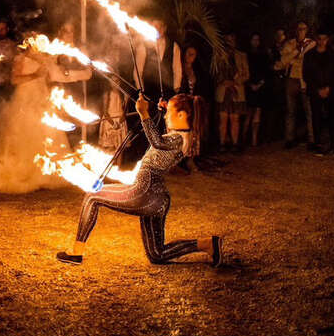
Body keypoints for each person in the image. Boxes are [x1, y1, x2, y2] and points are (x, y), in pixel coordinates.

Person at [56, 92, 223, 267]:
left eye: (170, 112)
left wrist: (144, 114)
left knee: (92, 196)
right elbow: (163, 138)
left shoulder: (177, 140)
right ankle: (207, 244)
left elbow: (157, 142)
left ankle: (76, 253)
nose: (165, 116)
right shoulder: (182, 136)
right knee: (157, 255)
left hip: (144, 192)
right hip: (157, 198)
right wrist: (164, 109)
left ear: (181, 115)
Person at [0, 40, 91, 193]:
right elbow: (15, 79)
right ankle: (22, 172)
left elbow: (55, 75)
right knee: (20, 135)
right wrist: (35, 75)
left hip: (41, 99)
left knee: (46, 134)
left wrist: (82, 73)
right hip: (24, 98)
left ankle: (45, 172)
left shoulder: (45, 59)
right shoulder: (20, 58)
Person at [275, 21, 316, 149]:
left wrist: (292, 58)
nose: (301, 31)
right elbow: (283, 61)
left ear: (307, 30)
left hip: (304, 79)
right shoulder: (290, 43)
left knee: (309, 110)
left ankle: (312, 140)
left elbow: (306, 59)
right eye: (299, 28)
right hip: (291, 79)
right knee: (290, 110)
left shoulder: (311, 43)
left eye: (303, 28)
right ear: (296, 30)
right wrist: (295, 54)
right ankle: (289, 138)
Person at [303, 30, 334, 156]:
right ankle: (319, 145)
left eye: (325, 38)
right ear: (316, 39)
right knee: (316, 118)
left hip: (331, 91)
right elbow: (306, 75)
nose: (322, 41)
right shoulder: (309, 55)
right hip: (315, 91)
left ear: (327, 39)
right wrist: (317, 89)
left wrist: (329, 88)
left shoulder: (333, 55)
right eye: (320, 38)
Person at [215, 32, 249, 153]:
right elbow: (215, 73)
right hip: (223, 91)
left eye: (232, 40)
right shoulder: (218, 56)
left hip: (237, 91)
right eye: (227, 40)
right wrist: (224, 81)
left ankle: (234, 144)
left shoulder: (241, 56)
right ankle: (222, 144)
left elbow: (246, 74)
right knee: (223, 118)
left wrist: (234, 82)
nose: (230, 43)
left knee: (235, 119)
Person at [134, 19, 182, 101]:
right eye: (155, 26)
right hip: (149, 91)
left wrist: (176, 87)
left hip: (168, 91)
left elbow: (177, 68)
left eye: (160, 26)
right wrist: (141, 90)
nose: (158, 29)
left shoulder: (173, 46)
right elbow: (138, 70)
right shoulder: (143, 46)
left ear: (165, 28)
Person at [244, 33, 269, 146]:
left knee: (257, 112)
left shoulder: (263, 55)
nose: (256, 42)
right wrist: (249, 84)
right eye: (253, 39)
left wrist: (260, 84)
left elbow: (266, 71)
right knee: (248, 112)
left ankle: (254, 138)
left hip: (260, 86)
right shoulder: (246, 55)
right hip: (248, 86)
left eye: (257, 40)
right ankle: (244, 137)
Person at [267, 28, 287, 141]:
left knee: (283, 109)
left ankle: (281, 134)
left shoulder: (287, 48)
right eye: (278, 34)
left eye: (282, 34)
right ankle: (270, 134)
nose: (280, 37)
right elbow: (269, 64)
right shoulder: (271, 49)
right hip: (273, 83)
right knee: (272, 110)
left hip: (283, 83)